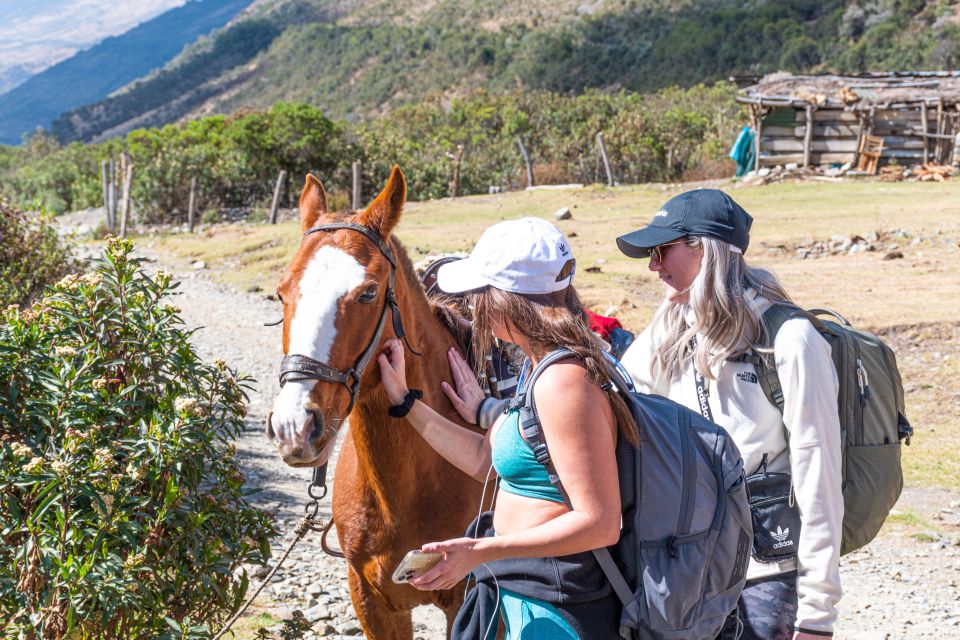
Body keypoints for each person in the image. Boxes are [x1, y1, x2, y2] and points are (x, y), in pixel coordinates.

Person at [377, 217, 636, 640]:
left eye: (480, 293)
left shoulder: (565, 382)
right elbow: (487, 460)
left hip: (562, 603)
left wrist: (479, 552)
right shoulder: (541, 367)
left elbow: (599, 522)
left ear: (505, 298)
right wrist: (407, 403)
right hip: (532, 591)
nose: (475, 306)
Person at [615, 189, 843, 640]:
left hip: (767, 571)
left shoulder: (792, 340)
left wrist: (817, 614)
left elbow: (819, 476)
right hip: (689, 563)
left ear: (706, 250)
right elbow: (619, 395)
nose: (652, 264)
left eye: (662, 250)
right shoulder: (670, 328)